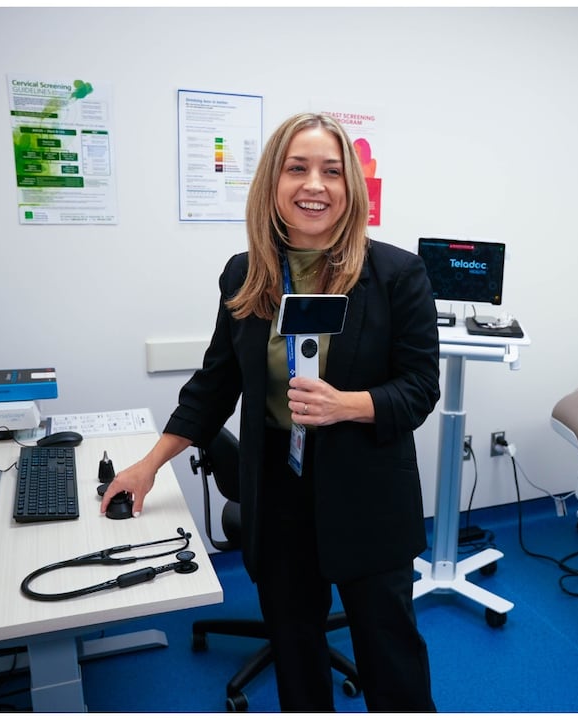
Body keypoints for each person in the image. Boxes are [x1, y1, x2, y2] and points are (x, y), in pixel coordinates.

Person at [100, 112, 440, 711]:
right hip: (279, 500)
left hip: (368, 500)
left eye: (332, 171)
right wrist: (148, 465)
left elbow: (419, 388)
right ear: (273, 183)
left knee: (392, 664)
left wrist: (347, 406)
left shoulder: (397, 275)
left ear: (351, 186)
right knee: (296, 658)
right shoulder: (247, 273)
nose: (315, 184)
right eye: (297, 168)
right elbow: (213, 385)